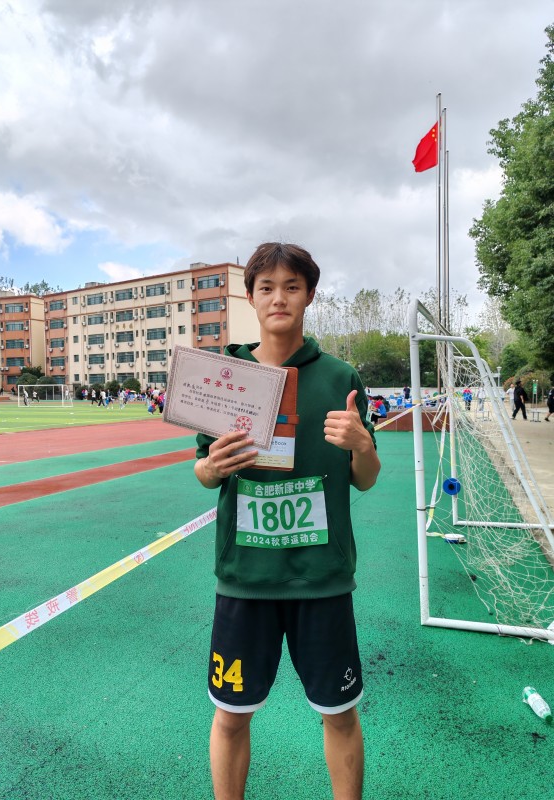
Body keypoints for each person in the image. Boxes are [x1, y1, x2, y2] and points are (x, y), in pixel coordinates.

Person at [194, 243, 381, 800]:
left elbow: (366, 478)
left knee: (340, 714)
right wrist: (211, 467)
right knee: (231, 716)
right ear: (251, 297)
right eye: (267, 287)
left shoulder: (340, 377)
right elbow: (204, 473)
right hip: (245, 578)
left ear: (309, 296)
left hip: (321, 579)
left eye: (292, 287)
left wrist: (361, 444)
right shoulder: (224, 376)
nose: (279, 298)